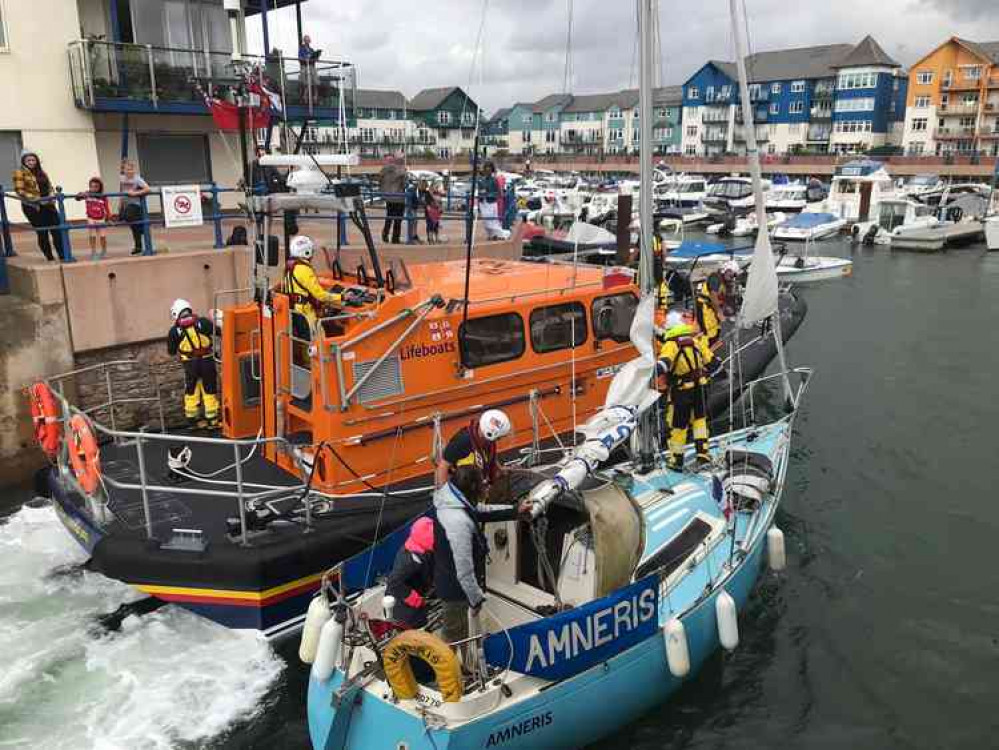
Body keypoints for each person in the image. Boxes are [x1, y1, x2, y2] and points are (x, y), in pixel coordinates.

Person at [433, 465, 524, 646]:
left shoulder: (452, 500)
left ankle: (465, 665)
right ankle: (452, 672)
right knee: (453, 638)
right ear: (473, 488)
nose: (486, 485)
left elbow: (480, 510)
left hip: (451, 582)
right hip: (457, 592)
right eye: (482, 483)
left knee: (463, 633)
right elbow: (464, 571)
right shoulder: (457, 522)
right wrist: (476, 600)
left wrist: (515, 511)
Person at [657, 312, 721, 471]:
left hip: (682, 391)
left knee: (678, 425)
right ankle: (703, 454)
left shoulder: (671, 345)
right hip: (700, 388)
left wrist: (650, 373)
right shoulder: (695, 341)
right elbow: (712, 362)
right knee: (700, 421)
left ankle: (677, 460)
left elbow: (665, 363)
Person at [167, 299, 219, 429]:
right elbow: (218, 332)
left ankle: (193, 421)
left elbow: (171, 351)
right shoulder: (203, 322)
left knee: (191, 390)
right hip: (207, 361)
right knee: (209, 389)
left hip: (190, 364)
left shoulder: (174, 331)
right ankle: (212, 421)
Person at [282, 234, 344, 340]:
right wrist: (341, 297)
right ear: (306, 252)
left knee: (304, 342)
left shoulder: (289, 267)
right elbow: (320, 295)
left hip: (295, 311)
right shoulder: (304, 270)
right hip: (306, 313)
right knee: (318, 340)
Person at [435, 409, 512, 489]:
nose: (499, 439)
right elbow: (443, 466)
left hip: (477, 485)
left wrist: (500, 469)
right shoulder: (462, 441)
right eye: (499, 438)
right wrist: (444, 493)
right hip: (462, 488)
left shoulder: (485, 438)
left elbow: (489, 455)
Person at [12, 150, 65, 261]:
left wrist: (51, 195)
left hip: (48, 204)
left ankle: (63, 255)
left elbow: (49, 186)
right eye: (28, 160)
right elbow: (19, 190)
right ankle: (49, 257)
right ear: (24, 162)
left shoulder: (42, 172)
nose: (31, 162)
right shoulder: (19, 172)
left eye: (33, 160)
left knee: (57, 230)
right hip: (33, 207)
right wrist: (37, 200)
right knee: (43, 232)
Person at [384, 517, 436, 629]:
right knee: (414, 629)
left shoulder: (415, 547)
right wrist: (413, 598)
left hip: (414, 594)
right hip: (404, 608)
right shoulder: (409, 561)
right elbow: (393, 582)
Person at [118, 160, 151, 255]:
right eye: (126, 169)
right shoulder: (122, 178)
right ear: (123, 170)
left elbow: (148, 189)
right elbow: (122, 191)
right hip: (126, 204)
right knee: (133, 226)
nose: (129, 171)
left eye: (131, 169)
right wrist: (120, 204)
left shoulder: (137, 179)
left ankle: (142, 229)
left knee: (128, 217)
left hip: (135, 205)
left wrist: (135, 193)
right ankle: (138, 247)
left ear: (134, 170)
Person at [75, 177, 112, 260]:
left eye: (96, 187)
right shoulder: (87, 194)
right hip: (91, 217)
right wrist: (80, 194)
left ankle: (104, 251)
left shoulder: (102, 196)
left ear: (99, 187)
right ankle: (93, 251)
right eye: (91, 186)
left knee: (103, 236)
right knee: (92, 235)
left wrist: (109, 218)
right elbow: (77, 198)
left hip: (101, 218)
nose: (93, 189)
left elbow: (107, 208)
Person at [477, 161, 510, 240]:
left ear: (491, 171)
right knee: (486, 221)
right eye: (486, 169)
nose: (487, 171)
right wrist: (481, 193)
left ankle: (500, 234)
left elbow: (498, 192)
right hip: (483, 202)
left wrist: (489, 194)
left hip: (491, 202)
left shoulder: (494, 180)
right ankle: (491, 234)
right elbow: (479, 191)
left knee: (492, 220)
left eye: (489, 170)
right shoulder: (481, 180)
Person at [378, 155, 406, 244]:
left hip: (388, 197)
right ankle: (395, 238)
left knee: (389, 217)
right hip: (399, 197)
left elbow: (380, 181)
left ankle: (385, 234)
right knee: (398, 219)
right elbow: (404, 184)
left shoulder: (383, 170)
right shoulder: (401, 171)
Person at [694, 271, 724, 347]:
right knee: (708, 330)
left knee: (716, 326)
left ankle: (713, 345)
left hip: (710, 307)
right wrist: (719, 312)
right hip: (704, 307)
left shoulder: (718, 279)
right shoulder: (715, 279)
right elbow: (713, 296)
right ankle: (706, 351)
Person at [419, 179, 442, 244]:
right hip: (429, 211)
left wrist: (440, 208)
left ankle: (436, 238)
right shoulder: (427, 193)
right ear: (432, 186)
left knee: (436, 225)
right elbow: (425, 202)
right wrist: (427, 206)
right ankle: (430, 238)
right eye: (436, 186)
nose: (437, 188)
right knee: (430, 225)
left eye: (438, 186)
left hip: (436, 212)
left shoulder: (437, 193)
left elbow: (440, 202)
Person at [298, 34, 319, 103]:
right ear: (304, 41)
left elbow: (314, 59)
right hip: (305, 66)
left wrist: (316, 57)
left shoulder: (311, 49)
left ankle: (315, 97)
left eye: (308, 39)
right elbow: (300, 58)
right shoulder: (301, 49)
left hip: (312, 66)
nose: (308, 41)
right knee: (307, 82)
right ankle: (305, 97)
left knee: (315, 81)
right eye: (306, 39)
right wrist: (306, 58)